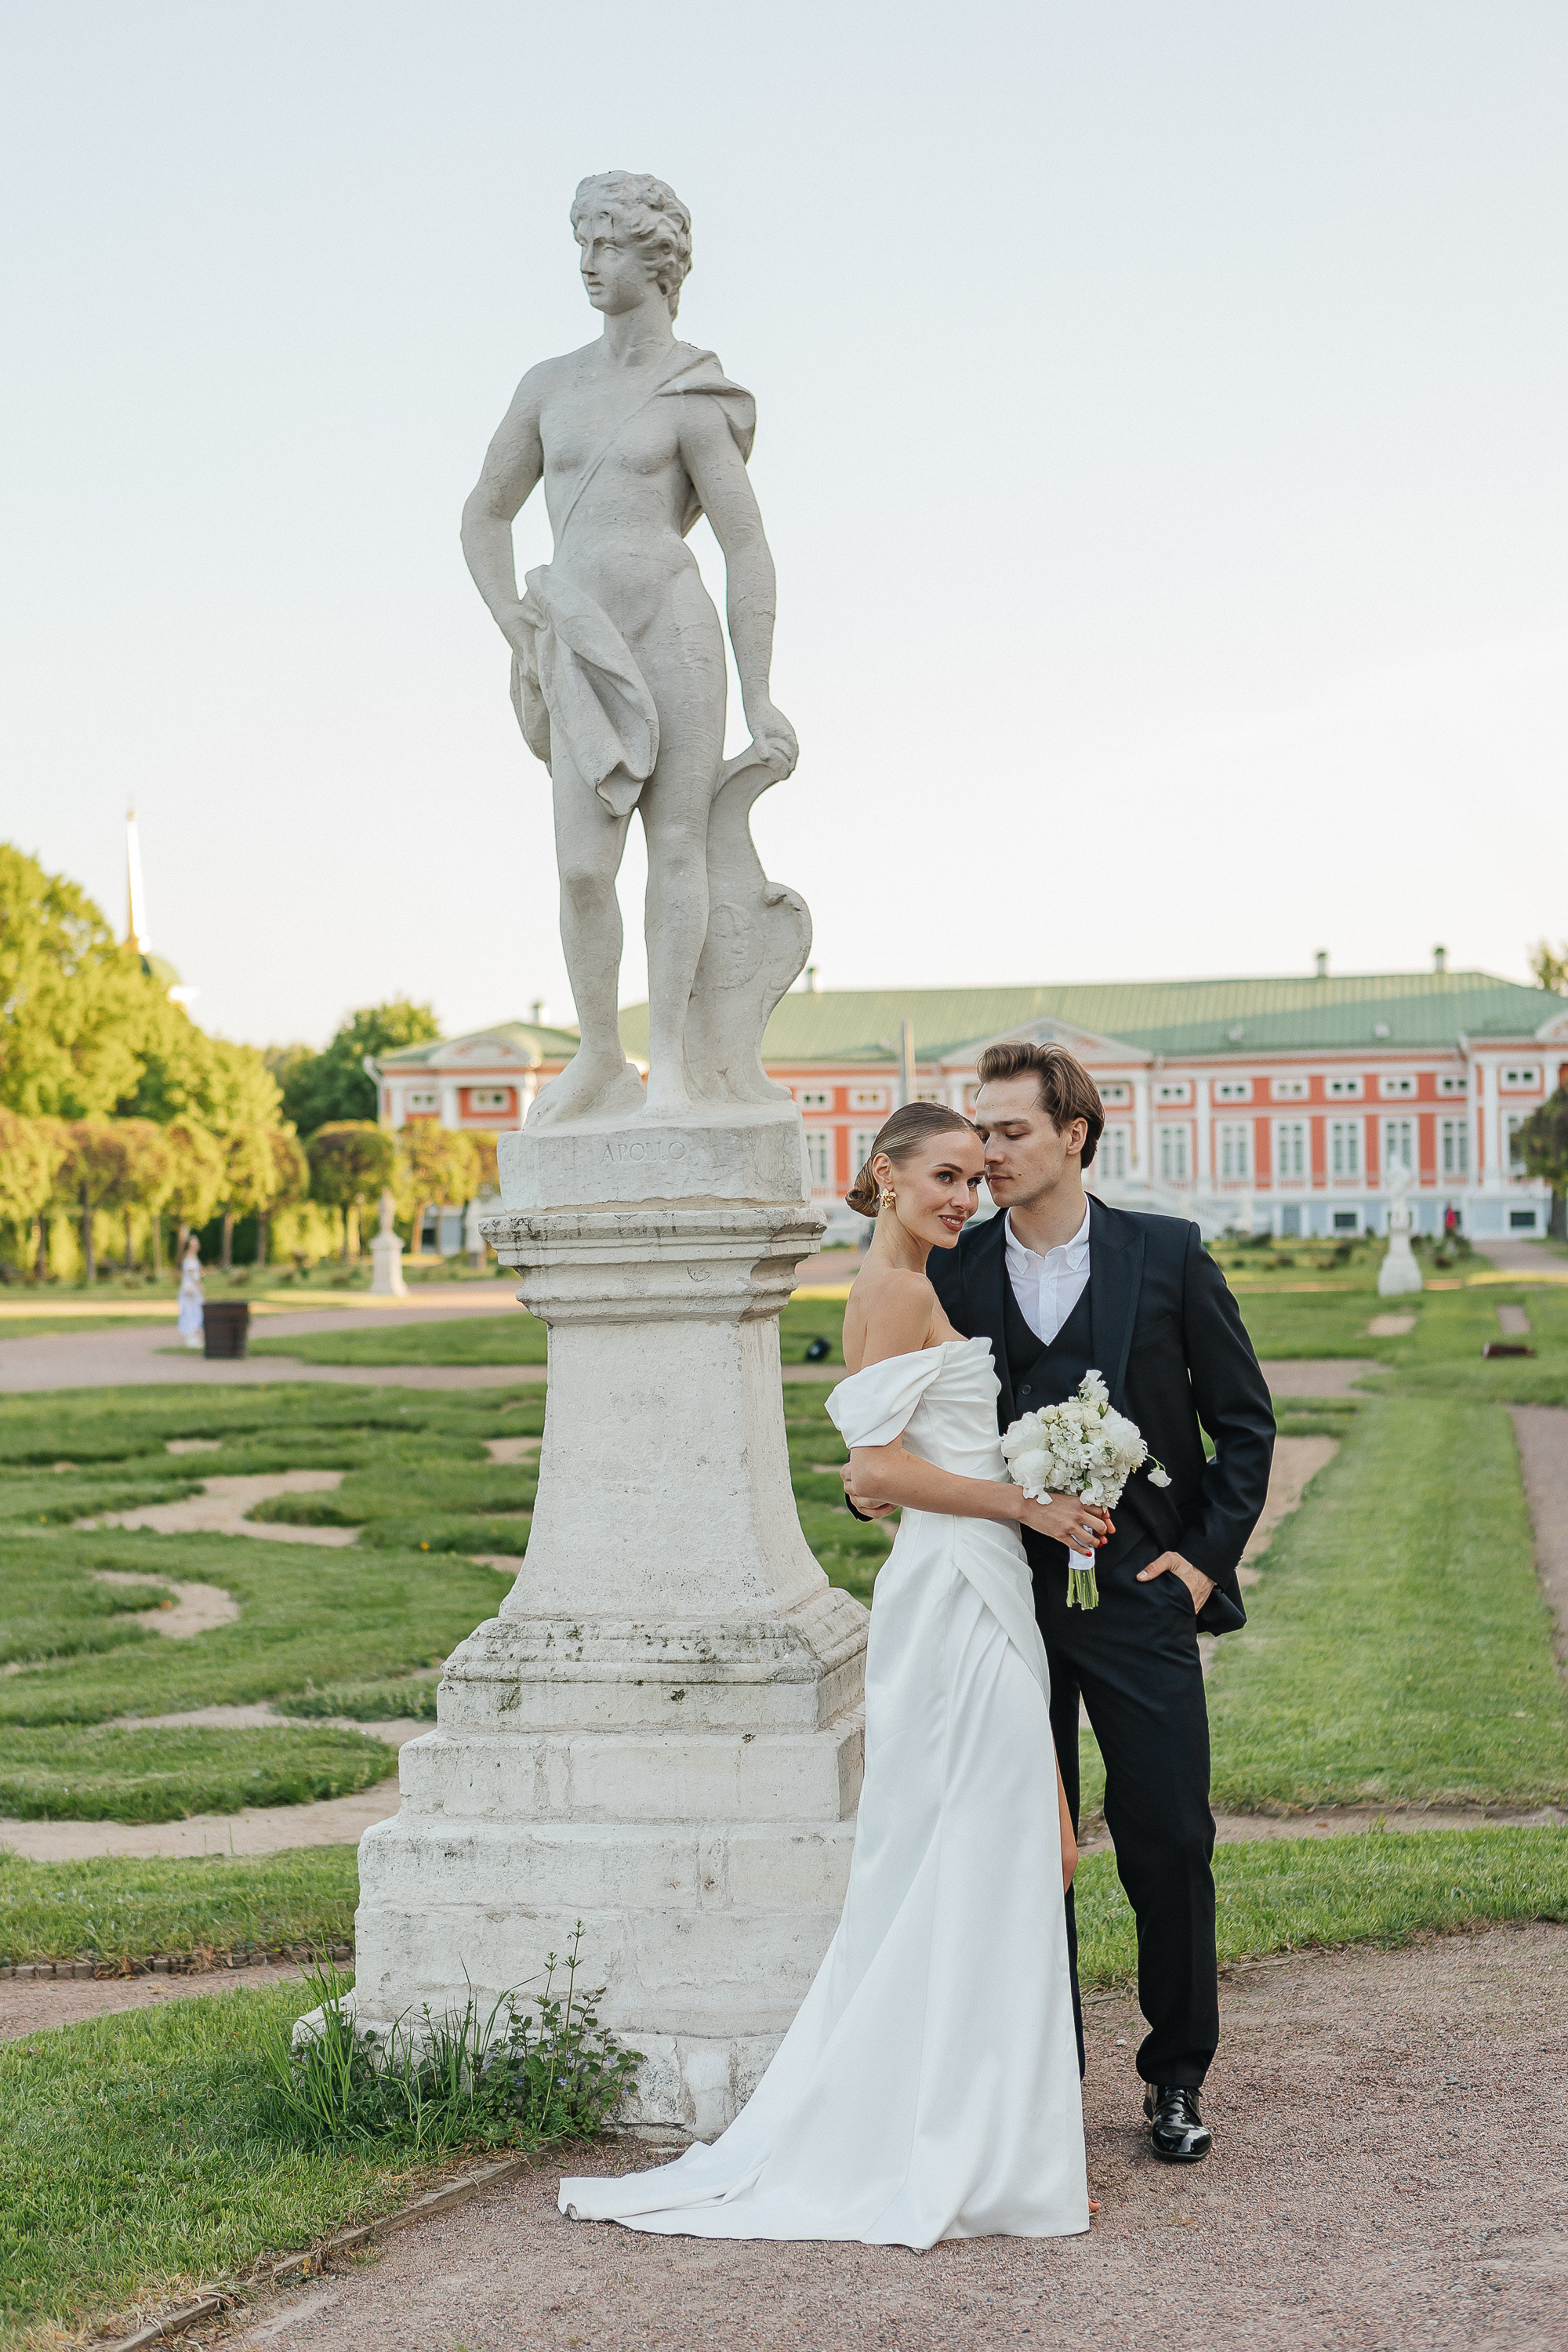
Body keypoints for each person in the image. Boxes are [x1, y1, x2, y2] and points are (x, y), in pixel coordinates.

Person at [559, 1103, 1091, 2244]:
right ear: (885, 1177)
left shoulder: (911, 1285)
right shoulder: (893, 1292)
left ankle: (982, 2137)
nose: (964, 1195)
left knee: (1013, 1852)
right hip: (958, 1590)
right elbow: (878, 1468)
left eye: (972, 1178)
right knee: (1010, 1851)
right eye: (943, 1176)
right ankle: (964, 2146)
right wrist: (1026, 1502)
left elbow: (891, 1478)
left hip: (966, 1581)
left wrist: (1022, 1493)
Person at [886, 1042, 1275, 2165]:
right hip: (1001, 1601)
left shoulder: (1167, 1255)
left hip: (1142, 1600)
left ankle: (1177, 2078)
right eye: (978, 1134)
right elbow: (905, 1434)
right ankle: (1042, 2075)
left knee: (1169, 1839)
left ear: (1075, 1138)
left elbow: (1243, 1427)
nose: (986, 1155)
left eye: (1009, 1134)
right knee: (1019, 1846)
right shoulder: (950, 1271)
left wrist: (1198, 1569)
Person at [461, 172, 797, 1125]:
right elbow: (483, 516)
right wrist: (514, 623)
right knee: (580, 866)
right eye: (580, 244)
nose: (585, 264)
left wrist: (762, 692)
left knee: (679, 846)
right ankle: (601, 1057)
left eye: (603, 244)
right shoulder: (548, 387)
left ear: (657, 258)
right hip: (576, 636)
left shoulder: (692, 391)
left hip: (673, 626)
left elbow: (744, 545)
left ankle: (678, 1071)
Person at [176, 1237, 204, 1352]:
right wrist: (199, 1286)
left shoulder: (192, 1256)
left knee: (195, 1312)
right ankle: (190, 1337)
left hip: (191, 1289)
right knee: (192, 1312)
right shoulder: (189, 1257)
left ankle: (193, 1336)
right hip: (190, 1290)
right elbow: (192, 1274)